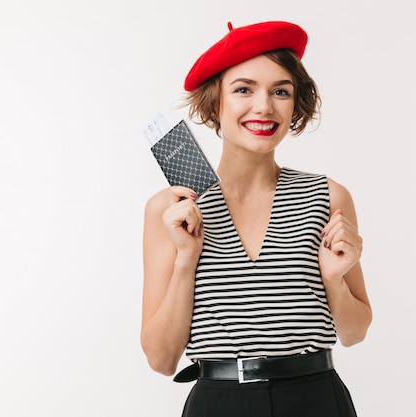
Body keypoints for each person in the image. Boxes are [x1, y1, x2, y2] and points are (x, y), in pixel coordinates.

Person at [140, 20, 373, 417]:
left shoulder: (329, 197)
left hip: (314, 399)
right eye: (244, 89)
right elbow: (161, 360)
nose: (264, 106)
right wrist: (185, 259)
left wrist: (333, 277)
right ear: (215, 103)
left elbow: (354, 333)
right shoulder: (173, 207)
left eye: (280, 91)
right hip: (218, 403)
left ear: (295, 104)